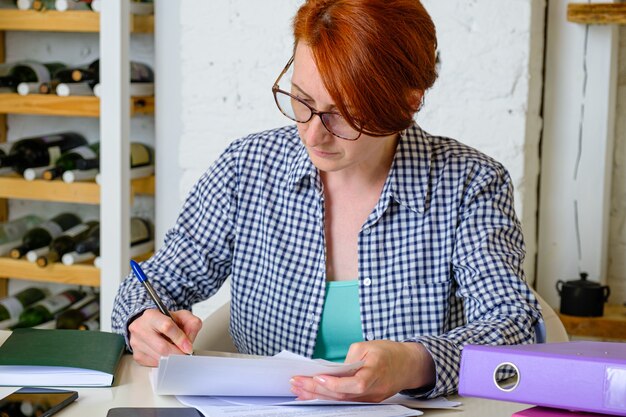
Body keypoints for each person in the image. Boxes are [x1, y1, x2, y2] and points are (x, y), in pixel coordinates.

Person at [112, 0, 543, 402]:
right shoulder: (247, 169)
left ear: (409, 103)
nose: (313, 134)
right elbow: (153, 283)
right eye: (302, 101)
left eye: (344, 114)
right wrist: (142, 322)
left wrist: (415, 362)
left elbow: (515, 325)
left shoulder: (470, 184)